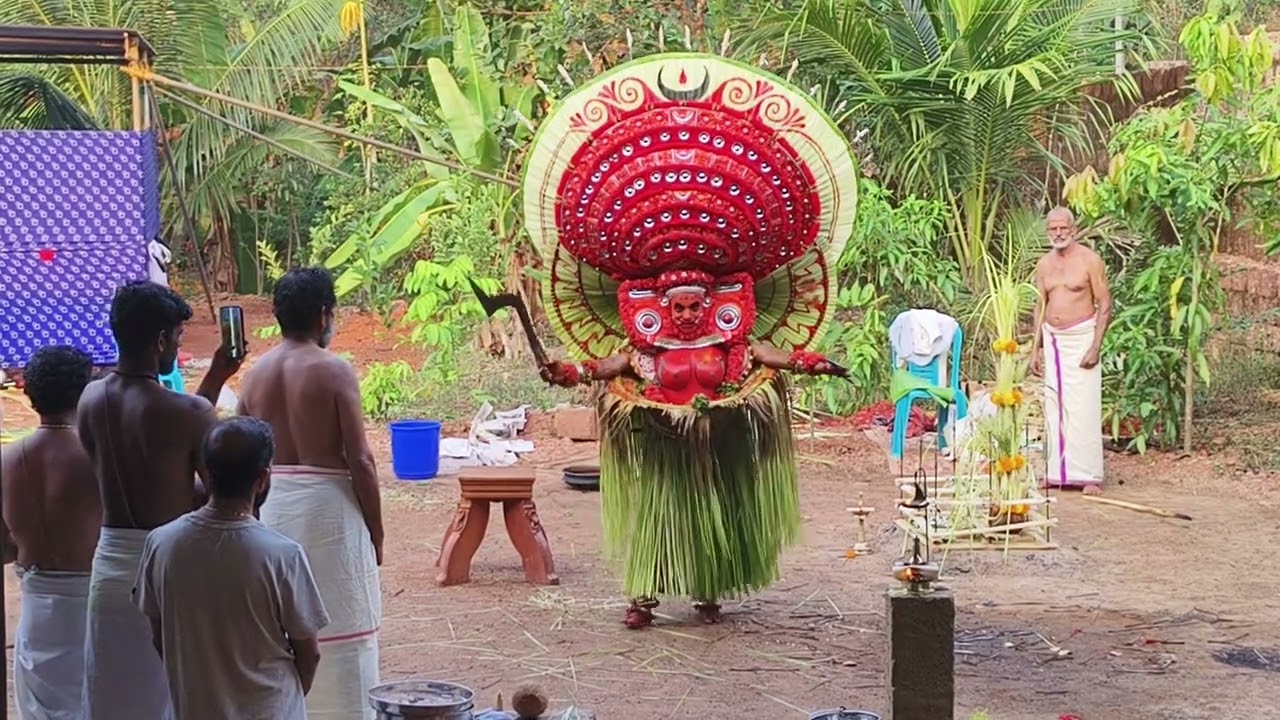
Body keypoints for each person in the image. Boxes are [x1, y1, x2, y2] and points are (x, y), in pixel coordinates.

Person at [522, 53, 856, 628]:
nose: (684, 313)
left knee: (716, 512)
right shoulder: (643, 351)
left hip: (717, 439)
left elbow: (779, 357)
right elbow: (603, 367)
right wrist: (568, 372)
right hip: (663, 440)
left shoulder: (737, 346)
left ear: (715, 302)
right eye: (675, 306)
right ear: (655, 305)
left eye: (695, 305)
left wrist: (819, 363)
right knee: (659, 517)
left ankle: (709, 590)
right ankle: (643, 596)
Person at [76, 281, 243, 720]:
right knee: (174, 696)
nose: (177, 345)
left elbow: (155, 456)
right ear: (160, 341)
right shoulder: (188, 413)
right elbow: (218, 496)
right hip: (169, 567)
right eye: (178, 337)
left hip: (109, 566)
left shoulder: (90, 399)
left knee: (114, 697)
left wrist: (213, 380)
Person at [237, 267, 382, 720]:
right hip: (331, 511)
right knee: (344, 626)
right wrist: (377, 532)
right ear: (324, 315)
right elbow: (360, 459)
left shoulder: (254, 375)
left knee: (282, 633)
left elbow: (243, 455)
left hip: (272, 509)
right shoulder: (335, 370)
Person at [134, 417, 330, 720]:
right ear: (263, 478)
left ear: (208, 473)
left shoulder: (161, 543)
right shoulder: (282, 555)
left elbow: (160, 636)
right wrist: (283, 703)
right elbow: (310, 653)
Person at [1, 345, 99, 719]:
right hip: (93, 607)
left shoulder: (8, 461)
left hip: (38, 611)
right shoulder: (99, 456)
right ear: (86, 390)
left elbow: (5, 551)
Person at [1029, 207, 1113, 495]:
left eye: (1063, 228)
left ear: (1073, 229)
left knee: (1084, 406)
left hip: (1081, 337)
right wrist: (1034, 350)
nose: (1058, 234)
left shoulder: (1090, 260)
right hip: (1053, 339)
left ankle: (1088, 474)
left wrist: (1096, 345)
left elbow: (1105, 304)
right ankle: (1056, 472)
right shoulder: (1043, 265)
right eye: (1053, 229)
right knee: (1054, 405)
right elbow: (1039, 306)